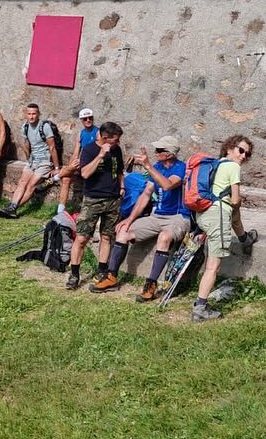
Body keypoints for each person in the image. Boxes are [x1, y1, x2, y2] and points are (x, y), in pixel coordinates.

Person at [91, 135, 189, 299]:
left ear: (170, 153)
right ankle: (111, 277)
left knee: (164, 237)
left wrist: (148, 166)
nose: (156, 153)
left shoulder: (180, 168)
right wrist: (129, 220)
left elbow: (168, 185)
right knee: (123, 232)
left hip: (178, 217)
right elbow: (146, 195)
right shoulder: (157, 166)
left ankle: (150, 284)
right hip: (157, 215)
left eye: (159, 150)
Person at [191, 135, 254, 323]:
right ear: (229, 148)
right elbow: (235, 200)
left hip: (202, 214)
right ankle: (200, 308)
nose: (243, 156)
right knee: (213, 266)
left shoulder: (216, 164)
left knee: (212, 263)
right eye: (240, 150)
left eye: (247, 154)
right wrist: (237, 203)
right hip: (217, 215)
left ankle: (245, 239)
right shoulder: (233, 167)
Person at [65, 121, 124, 291]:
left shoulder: (116, 150)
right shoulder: (90, 150)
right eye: (114, 141)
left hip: (113, 200)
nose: (117, 144)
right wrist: (100, 155)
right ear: (105, 139)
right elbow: (84, 173)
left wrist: (122, 187)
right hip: (93, 200)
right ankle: (74, 274)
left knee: (106, 237)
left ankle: (102, 270)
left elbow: (119, 171)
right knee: (82, 237)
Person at [0, 104, 61, 218]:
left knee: (31, 185)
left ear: (38, 114)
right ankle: (12, 207)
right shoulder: (25, 126)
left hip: (45, 161)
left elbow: (52, 147)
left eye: (34, 114)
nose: (31, 116)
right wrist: (28, 158)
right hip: (33, 160)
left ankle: (13, 208)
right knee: (22, 182)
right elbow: (27, 144)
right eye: (29, 114)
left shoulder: (45, 126)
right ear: (26, 115)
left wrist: (56, 168)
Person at [55, 108, 98, 214]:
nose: (88, 120)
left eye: (90, 118)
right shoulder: (81, 134)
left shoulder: (98, 132)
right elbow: (76, 152)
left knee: (66, 173)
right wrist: (70, 166)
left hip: (92, 163)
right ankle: (60, 211)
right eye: (85, 119)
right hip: (82, 162)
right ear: (81, 120)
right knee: (66, 179)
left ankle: (55, 178)